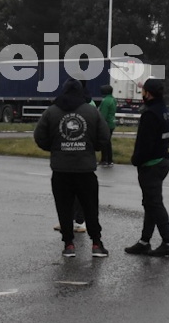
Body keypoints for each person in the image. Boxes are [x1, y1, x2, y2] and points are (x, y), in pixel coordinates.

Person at [34, 78, 111, 258]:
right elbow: (104, 136)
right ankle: (97, 244)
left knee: (64, 208)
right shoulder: (91, 111)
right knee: (90, 207)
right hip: (85, 170)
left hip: (61, 170)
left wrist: (54, 148)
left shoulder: (51, 112)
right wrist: (92, 148)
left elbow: (39, 136)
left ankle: (68, 245)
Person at [125, 78, 169, 257]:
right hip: (162, 160)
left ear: (148, 93)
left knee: (154, 204)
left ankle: (168, 242)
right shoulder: (164, 111)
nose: (142, 94)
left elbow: (144, 143)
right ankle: (144, 241)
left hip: (151, 165)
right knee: (150, 203)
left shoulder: (150, 114)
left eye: (144, 91)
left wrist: (136, 160)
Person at [98, 84, 117, 166]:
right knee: (108, 142)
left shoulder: (105, 101)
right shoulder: (113, 99)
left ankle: (104, 160)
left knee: (104, 142)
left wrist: (99, 123)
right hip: (112, 123)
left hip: (106, 124)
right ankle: (110, 160)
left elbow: (103, 114)